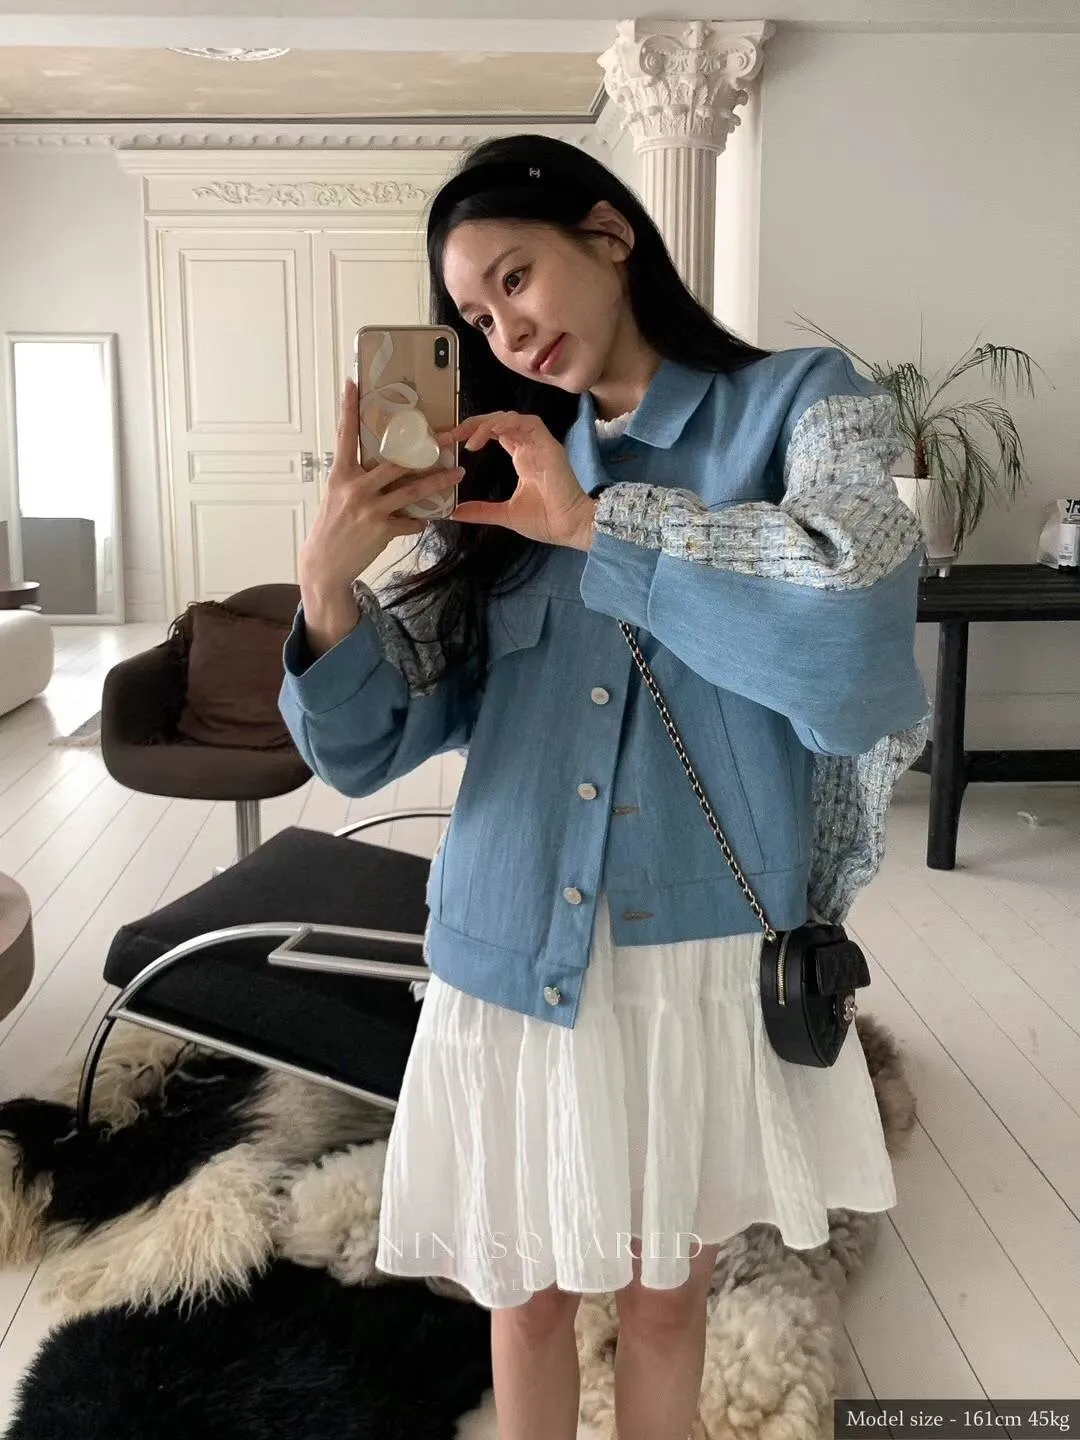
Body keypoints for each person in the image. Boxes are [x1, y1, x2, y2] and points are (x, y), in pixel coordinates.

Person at [279, 134, 929, 1440]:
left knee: (664, 1299)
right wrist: (327, 584)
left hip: (697, 956)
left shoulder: (804, 405)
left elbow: (855, 633)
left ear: (610, 236)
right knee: (522, 1299)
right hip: (506, 940)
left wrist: (595, 525)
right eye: (475, 317)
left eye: (516, 278)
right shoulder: (500, 472)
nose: (506, 331)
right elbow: (365, 746)